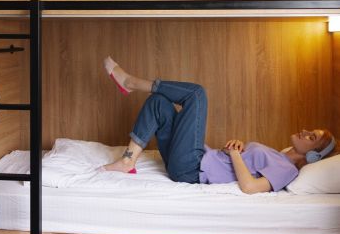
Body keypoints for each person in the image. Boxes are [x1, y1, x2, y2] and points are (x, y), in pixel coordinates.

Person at [102, 56, 336, 194]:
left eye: (312, 137)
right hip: (189, 161)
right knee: (159, 102)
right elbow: (243, 166)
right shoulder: (280, 155)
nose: (305, 132)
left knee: (196, 94)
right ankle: (128, 160)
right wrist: (235, 148)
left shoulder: (288, 170)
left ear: (314, 156)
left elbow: (250, 187)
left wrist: (234, 154)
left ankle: (130, 82)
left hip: (192, 168)